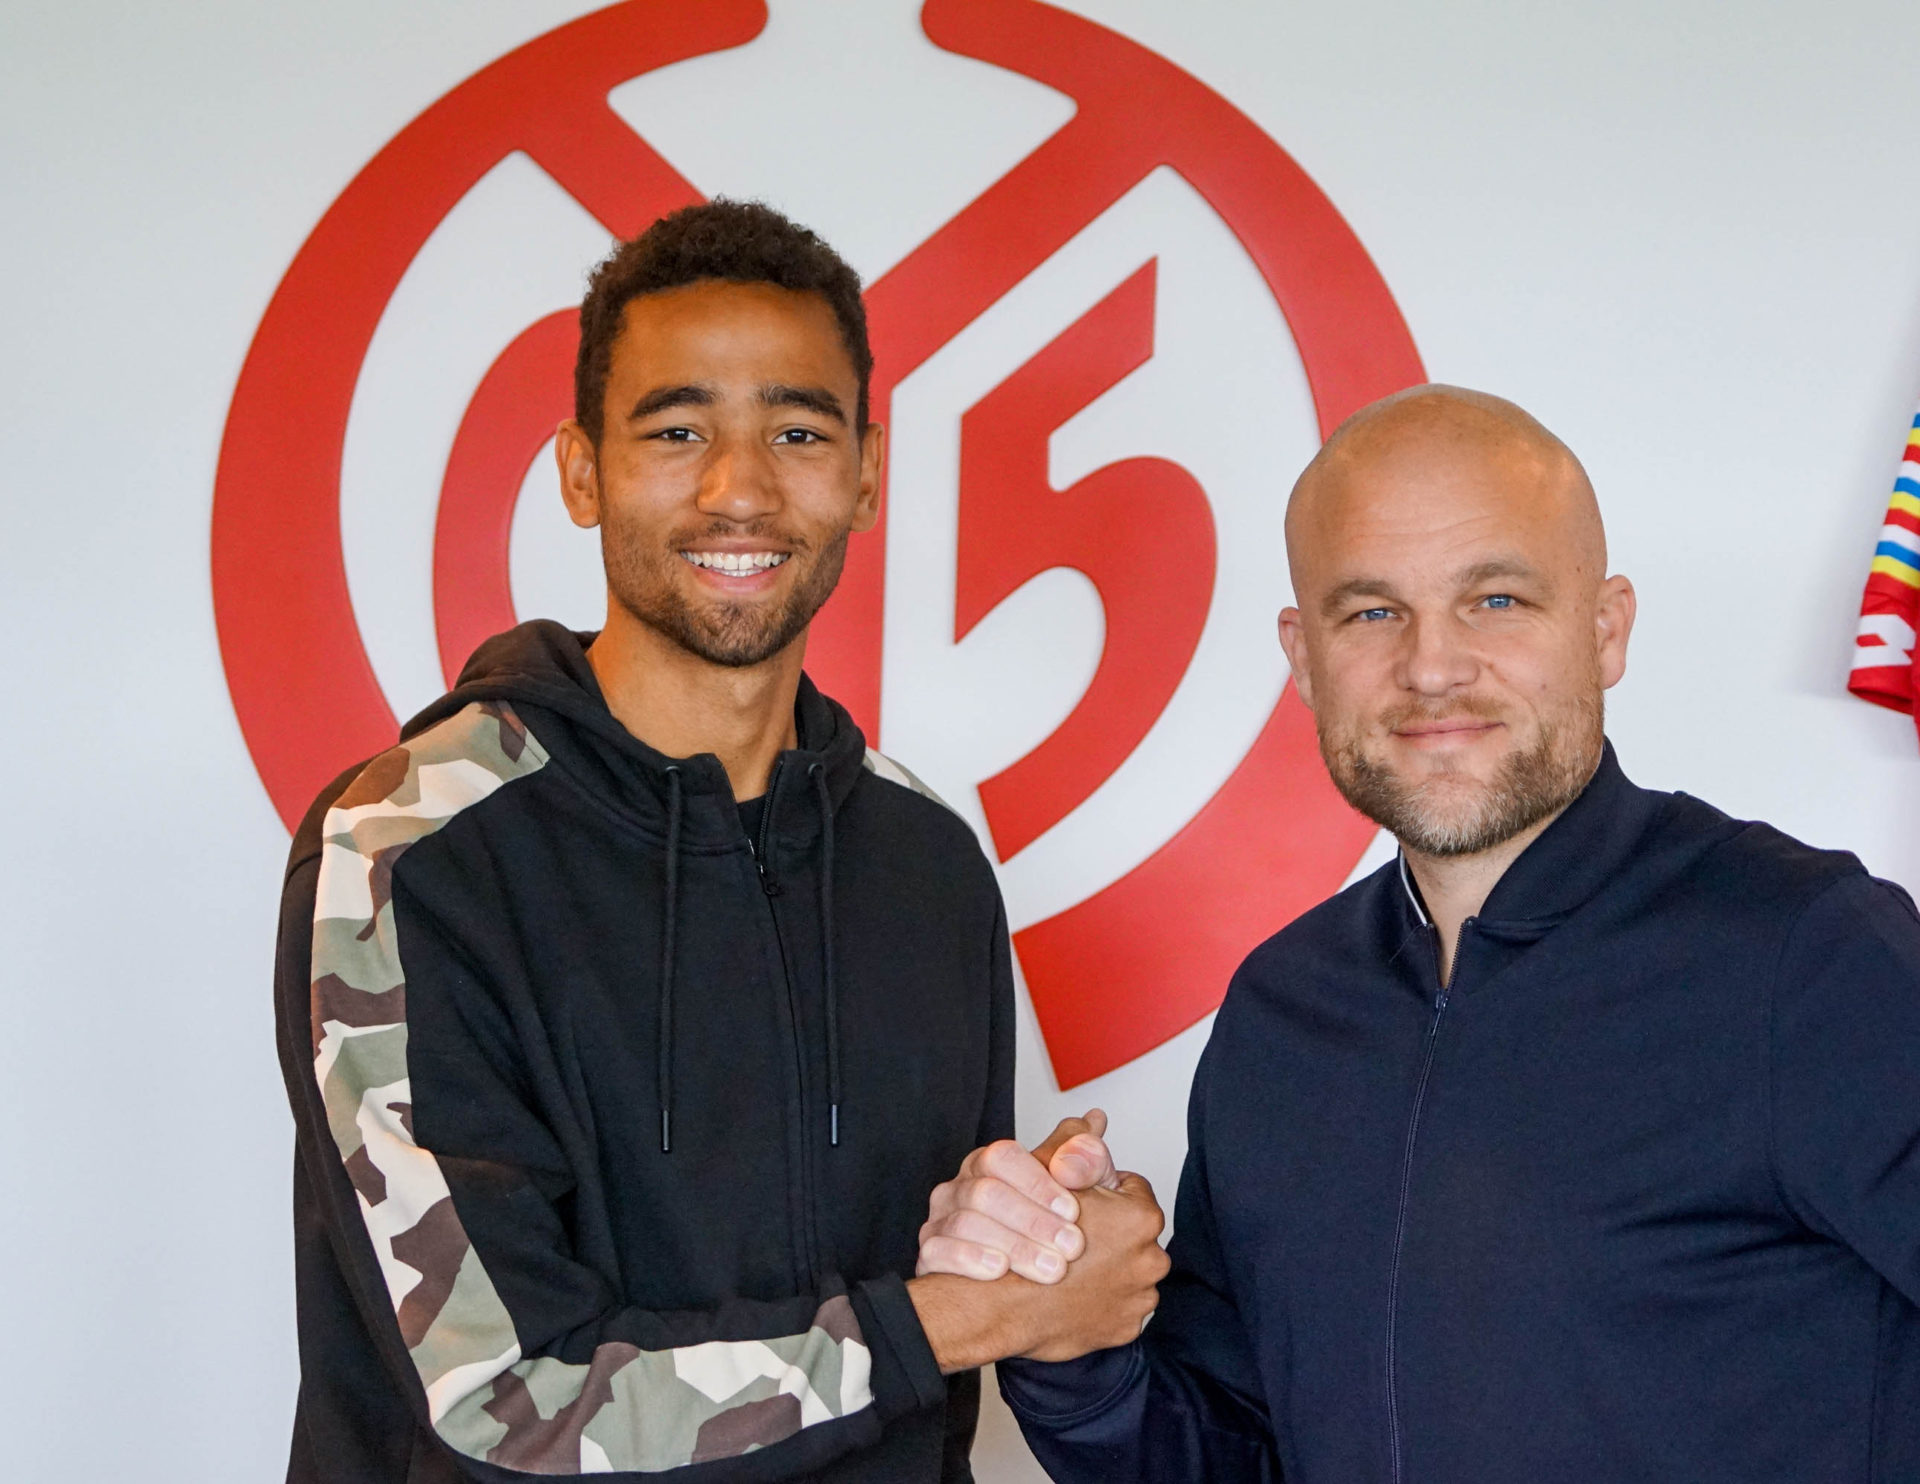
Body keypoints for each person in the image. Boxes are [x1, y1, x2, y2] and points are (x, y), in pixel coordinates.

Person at [272, 199, 1159, 1484]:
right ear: (581, 472)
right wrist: (969, 1317)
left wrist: (1043, 1239)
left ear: (866, 474)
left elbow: (949, 1318)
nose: (738, 488)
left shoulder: (927, 861)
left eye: (797, 431)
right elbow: (505, 1406)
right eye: (677, 429)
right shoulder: (407, 848)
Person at [922, 385, 1920, 1482]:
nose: (1433, 666)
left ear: (1605, 630)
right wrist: (1068, 1343)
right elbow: (1235, 1454)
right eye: (1371, 612)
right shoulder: (1282, 1012)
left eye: (1496, 598)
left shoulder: (1809, 957)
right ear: (1304, 658)